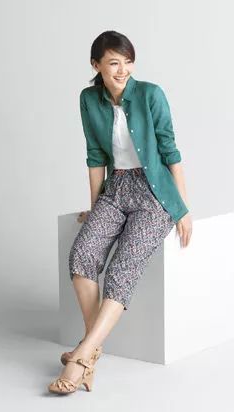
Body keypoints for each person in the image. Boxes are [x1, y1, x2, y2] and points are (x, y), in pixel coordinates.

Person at [48, 30, 193, 395]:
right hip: (116, 189)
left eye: (128, 62)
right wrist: (96, 207)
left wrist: (182, 207)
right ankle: (92, 348)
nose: (122, 70)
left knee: (122, 268)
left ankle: (81, 357)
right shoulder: (88, 99)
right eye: (114, 62)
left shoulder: (150, 94)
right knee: (81, 255)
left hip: (154, 193)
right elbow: (95, 155)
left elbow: (170, 151)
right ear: (96, 65)